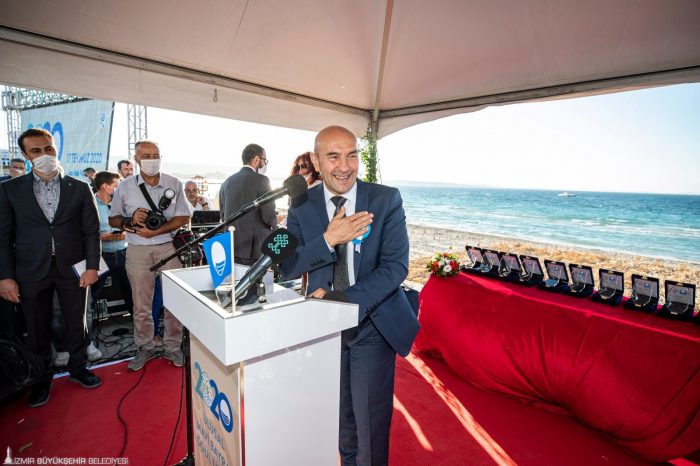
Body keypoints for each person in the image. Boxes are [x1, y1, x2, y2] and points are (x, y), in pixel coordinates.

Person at [279, 126, 419, 466]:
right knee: (342, 419)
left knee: (369, 423)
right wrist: (328, 240)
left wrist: (343, 301)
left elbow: (395, 266)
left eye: (352, 155)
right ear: (316, 162)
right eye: (333, 157)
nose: (345, 166)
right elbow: (287, 265)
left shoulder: (386, 199)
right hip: (325, 328)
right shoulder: (301, 204)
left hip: (371, 321)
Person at [0, 128, 103, 408]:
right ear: (25, 155)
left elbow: (91, 231)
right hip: (30, 270)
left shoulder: (79, 187)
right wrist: (5, 277)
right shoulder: (10, 189)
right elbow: (3, 236)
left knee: (76, 322)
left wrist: (92, 267)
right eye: (36, 151)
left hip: (74, 268)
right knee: (36, 328)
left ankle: (79, 369)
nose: (44, 155)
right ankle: (41, 380)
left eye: (49, 149)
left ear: (56, 148)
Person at [109, 140, 190, 371]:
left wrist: (156, 230)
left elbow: (184, 217)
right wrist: (130, 220)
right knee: (141, 304)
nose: (152, 160)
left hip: (169, 248)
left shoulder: (174, 183)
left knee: (174, 302)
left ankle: (173, 347)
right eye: (146, 156)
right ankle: (145, 346)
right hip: (137, 250)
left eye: (156, 155)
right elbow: (113, 219)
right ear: (136, 159)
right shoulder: (124, 187)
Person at [218, 144, 277, 265]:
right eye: (264, 160)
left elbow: (223, 215)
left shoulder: (226, 182)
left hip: (231, 247)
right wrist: (276, 226)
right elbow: (268, 215)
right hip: (254, 249)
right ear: (256, 159)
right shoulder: (262, 180)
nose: (265, 164)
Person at [90, 170, 133, 332]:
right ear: (105, 186)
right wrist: (102, 237)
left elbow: (130, 224)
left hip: (123, 253)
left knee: (130, 291)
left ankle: (141, 327)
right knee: (93, 293)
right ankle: (87, 332)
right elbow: (85, 231)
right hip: (102, 255)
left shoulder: (121, 203)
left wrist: (126, 232)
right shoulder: (90, 204)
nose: (119, 188)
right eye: (116, 185)